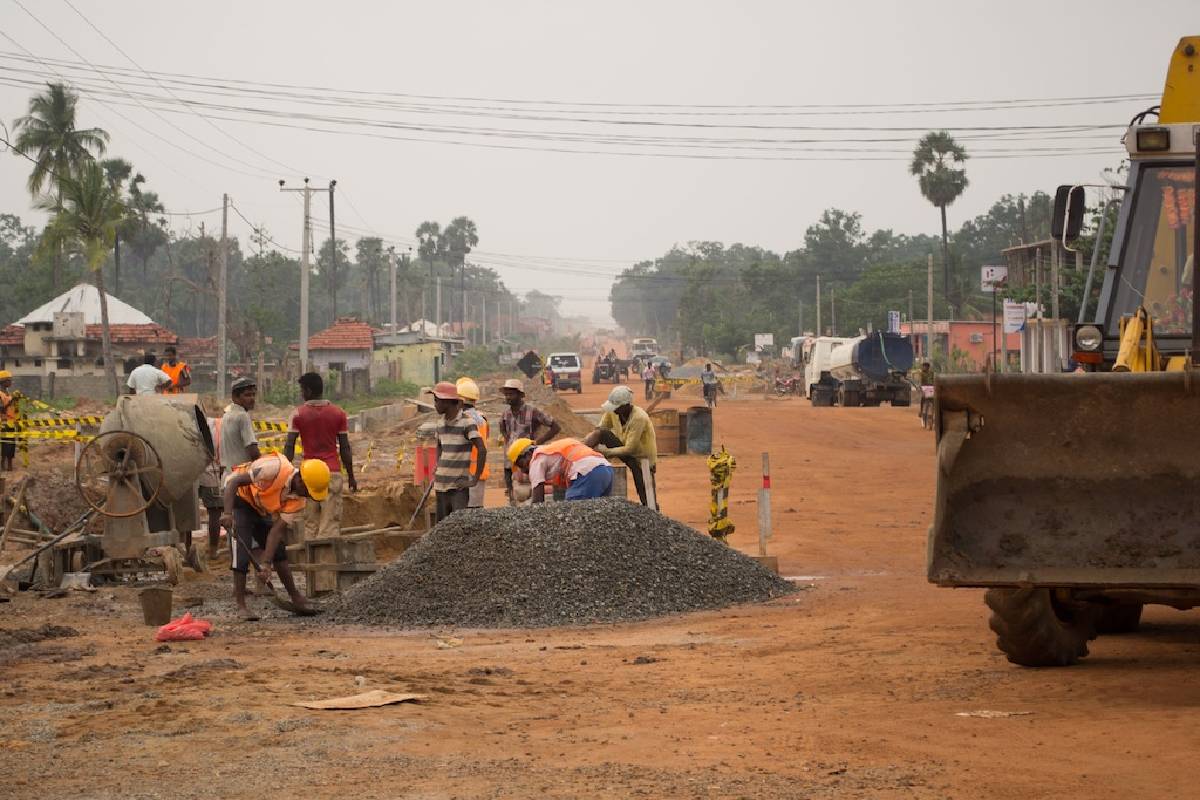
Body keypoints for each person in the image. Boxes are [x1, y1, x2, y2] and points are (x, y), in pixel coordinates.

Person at [220, 452, 328, 620]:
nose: (307, 496)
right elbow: (234, 482)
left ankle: (295, 596)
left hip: (259, 505)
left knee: (278, 550)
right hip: (238, 496)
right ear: (300, 480)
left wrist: (266, 563)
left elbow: (276, 531)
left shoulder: (298, 500)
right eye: (307, 491)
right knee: (241, 550)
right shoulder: (274, 468)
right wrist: (227, 513)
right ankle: (241, 605)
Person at [285, 372, 357, 541]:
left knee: (310, 524)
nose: (301, 394)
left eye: (302, 390)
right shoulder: (339, 414)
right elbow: (345, 448)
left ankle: (311, 565)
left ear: (308, 391)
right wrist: (351, 476)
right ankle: (327, 567)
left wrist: (286, 477)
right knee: (330, 525)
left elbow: (288, 447)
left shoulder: (297, 415)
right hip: (331, 473)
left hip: (308, 476)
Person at [206, 377, 262, 563]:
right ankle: (258, 580)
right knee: (253, 532)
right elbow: (253, 451)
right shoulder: (242, 417)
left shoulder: (227, 416)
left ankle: (239, 575)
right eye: (247, 395)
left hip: (228, 480)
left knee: (236, 534)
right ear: (235, 397)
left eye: (253, 395)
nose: (251, 399)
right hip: (243, 483)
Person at [585, 385, 658, 510]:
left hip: (641, 459)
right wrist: (588, 441)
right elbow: (601, 428)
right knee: (601, 433)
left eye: (616, 408)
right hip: (624, 449)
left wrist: (605, 452)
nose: (614, 410)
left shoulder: (638, 418)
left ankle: (656, 518)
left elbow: (630, 449)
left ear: (626, 406)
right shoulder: (613, 412)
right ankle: (581, 451)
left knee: (647, 497)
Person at [498, 378, 561, 504]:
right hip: (513, 461)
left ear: (520, 395)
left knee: (533, 492)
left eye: (511, 394)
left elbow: (555, 427)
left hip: (529, 460)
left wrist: (538, 442)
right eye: (506, 394)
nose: (508, 397)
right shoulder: (505, 415)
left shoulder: (532, 411)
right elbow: (504, 432)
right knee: (517, 495)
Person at [430, 381, 486, 520]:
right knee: (441, 528)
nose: (435, 404)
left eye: (437, 401)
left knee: (458, 527)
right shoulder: (440, 423)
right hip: (440, 485)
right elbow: (440, 445)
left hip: (458, 487)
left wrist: (474, 479)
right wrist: (438, 464)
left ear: (447, 402)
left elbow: (482, 449)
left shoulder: (467, 423)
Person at [507, 437, 613, 503]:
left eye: (521, 464)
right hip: (606, 469)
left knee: (572, 515)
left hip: (587, 474)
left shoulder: (536, 459)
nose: (524, 470)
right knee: (599, 516)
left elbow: (538, 501)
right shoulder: (551, 451)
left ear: (528, 454)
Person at [456, 377, 490, 508]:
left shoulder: (463, 419)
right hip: (479, 471)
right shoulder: (482, 418)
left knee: (464, 512)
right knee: (476, 511)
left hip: (465, 471)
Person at [0, 371, 18, 471]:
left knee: (11, 443)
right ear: (3, 381)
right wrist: (10, 402)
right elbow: (1, 408)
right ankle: (3, 462)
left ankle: (10, 463)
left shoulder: (7, 392)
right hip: (3, 422)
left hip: (11, 422)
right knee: (5, 443)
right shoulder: (0, 394)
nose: (11, 382)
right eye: (9, 380)